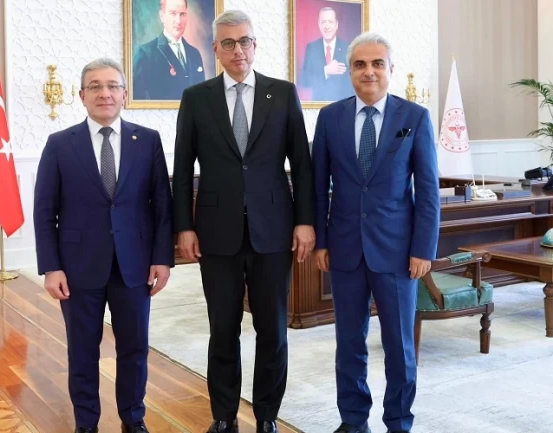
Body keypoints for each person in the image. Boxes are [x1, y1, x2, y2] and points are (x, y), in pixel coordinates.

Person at [172, 9, 315, 433]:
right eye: (229, 43)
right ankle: (223, 416)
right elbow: (182, 168)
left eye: (245, 41)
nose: (238, 50)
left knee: (273, 331)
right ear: (215, 49)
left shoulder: (282, 93)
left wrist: (305, 221)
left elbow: (302, 165)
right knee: (223, 330)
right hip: (216, 233)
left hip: (274, 231)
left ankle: (267, 417)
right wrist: (184, 226)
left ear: (255, 45)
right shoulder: (196, 98)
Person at [33, 58, 174, 433]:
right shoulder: (60, 144)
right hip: (77, 267)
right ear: (82, 95)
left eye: (112, 86)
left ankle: (133, 419)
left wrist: (162, 259)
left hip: (134, 266)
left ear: (125, 94)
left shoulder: (148, 141)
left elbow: (162, 206)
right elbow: (45, 212)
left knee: (134, 349)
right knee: (82, 351)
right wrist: (51, 267)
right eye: (94, 86)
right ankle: (86, 423)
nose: (104, 93)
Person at [311, 32, 440, 433]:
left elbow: (428, 190)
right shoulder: (330, 118)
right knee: (349, 343)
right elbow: (317, 186)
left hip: (398, 252)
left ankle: (398, 422)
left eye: (377, 64)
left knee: (399, 346)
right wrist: (321, 241)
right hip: (345, 250)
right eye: (360, 64)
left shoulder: (414, 118)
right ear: (349, 71)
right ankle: (353, 422)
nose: (369, 72)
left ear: (390, 69)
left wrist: (423, 249)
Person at [133, 0, 206, 100]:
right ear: (162, 16)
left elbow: (202, 96)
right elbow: (137, 100)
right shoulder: (145, 54)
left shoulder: (195, 54)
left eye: (182, 14)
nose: (178, 21)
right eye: (173, 13)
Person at [300, 7, 354, 102]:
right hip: (317, 106)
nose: (327, 26)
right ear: (319, 24)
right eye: (323, 22)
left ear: (336, 25)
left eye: (330, 22)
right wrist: (325, 71)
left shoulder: (348, 48)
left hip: (342, 105)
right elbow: (304, 81)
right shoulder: (312, 48)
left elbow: (352, 83)